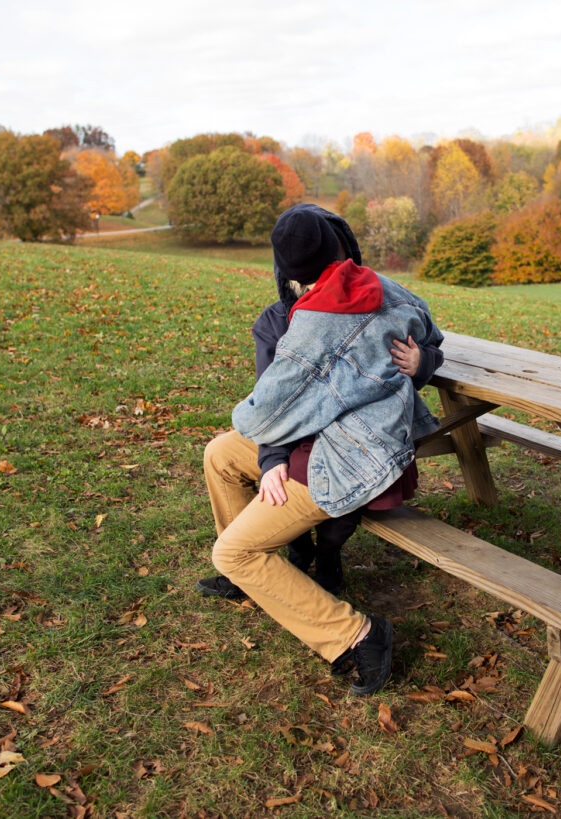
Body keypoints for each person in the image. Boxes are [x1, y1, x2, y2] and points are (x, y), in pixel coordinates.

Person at [202, 204, 444, 695]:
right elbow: (432, 329)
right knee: (222, 455)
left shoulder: (316, 321)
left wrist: (423, 362)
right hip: (322, 443)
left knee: (235, 552)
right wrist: (270, 458)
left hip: (350, 458)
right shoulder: (373, 289)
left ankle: (358, 636)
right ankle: (252, 579)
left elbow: (260, 413)